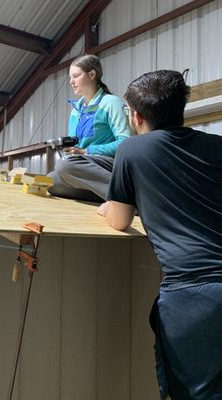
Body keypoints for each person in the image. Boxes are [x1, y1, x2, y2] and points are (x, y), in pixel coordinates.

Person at [98, 70, 222, 399]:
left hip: (194, 298)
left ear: (136, 116)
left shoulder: (132, 151)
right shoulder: (217, 146)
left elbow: (119, 220)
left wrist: (109, 207)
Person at [48, 54, 132, 202]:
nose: (71, 82)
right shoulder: (76, 110)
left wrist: (86, 151)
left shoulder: (111, 103)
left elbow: (126, 143)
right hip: (85, 165)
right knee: (51, 180)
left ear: (92, 74)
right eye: (70, 77)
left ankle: (128, 200)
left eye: (76, 76)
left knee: (65, 165)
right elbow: (76, 146)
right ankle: (106, 195)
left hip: (109, 165)